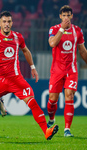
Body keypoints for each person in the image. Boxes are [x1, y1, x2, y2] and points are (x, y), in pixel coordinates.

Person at [0, 11, 59, 141]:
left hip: (16, 79)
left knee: (32, 102)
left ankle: (46, 131)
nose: (7, 24)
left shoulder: (18, 37)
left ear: (12, 23)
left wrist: (33, 67)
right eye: (4, 22)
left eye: (9, 22)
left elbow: (25, 50)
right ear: (0, 23)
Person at [47, 5, 87, 137]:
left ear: (71, 16)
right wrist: (62, 30)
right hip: (57, 70)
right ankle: (51, 118)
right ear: (60, 16)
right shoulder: (54, 29)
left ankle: (67, 129)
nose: (66, 18)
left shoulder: (78, 31)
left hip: (71, 70)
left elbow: (82, 51)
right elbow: (52, 43)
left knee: (69, 96)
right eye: (63, 15)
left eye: (68, 15)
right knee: (52, 99)